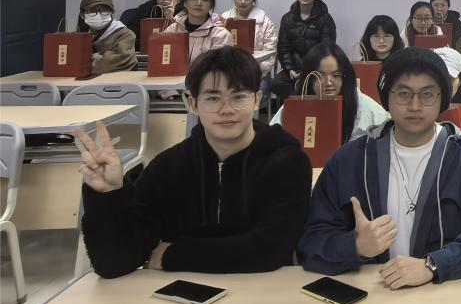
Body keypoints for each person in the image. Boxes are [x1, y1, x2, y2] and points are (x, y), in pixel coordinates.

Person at [75, 46, 310, 278]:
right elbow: (115, 263)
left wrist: (174, 255)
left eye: (238, 97)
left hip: (263, 293)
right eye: (213, 98)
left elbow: (271, 250)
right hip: (177, 293)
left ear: (257, 99)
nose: (226, 109)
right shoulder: (168, 168)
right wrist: (108, 195)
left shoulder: (287, 162)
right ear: (192, 104)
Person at [299, 48, 461, 287]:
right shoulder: (350, 161)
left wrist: (435, 265)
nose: (415, 106)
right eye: (403, 94)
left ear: (442, 99)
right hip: (372, 295)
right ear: (386, 97)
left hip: (444, 296)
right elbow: (311, 242)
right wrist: (355, 246)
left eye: (427, 94)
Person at [271, 43, 390, 143]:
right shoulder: (296, 105)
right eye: (321, 75)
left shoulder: (367, 108)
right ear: (309, 77)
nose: (328, 82)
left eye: (336, 75)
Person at [276, 0, 338, 97]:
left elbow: (327, 48)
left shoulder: (325, 18)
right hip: (294, 68)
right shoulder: (287, 18)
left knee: (311, 86)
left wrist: (310, 70)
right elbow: (283, 47)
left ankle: (303, 106)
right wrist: (290, 69)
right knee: (276, 84)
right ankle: (294, 105)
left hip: (316, 68)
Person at [163, 0, 231, 65]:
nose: (199, 3)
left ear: (211, 6)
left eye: (205, 0)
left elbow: (220, 66)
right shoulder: (173, 29)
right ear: (185, 3)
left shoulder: (220, 34)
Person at [220, 0, 278, 74]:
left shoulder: (265, 22)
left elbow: (270, 51)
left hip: (257, 71)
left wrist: (253, 68)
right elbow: (219, 48)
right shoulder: (225, 19)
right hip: (230, 71)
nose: (243, 2)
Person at [76, 0, 137, 73]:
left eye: (104, 10)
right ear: (82, 15)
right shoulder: (78, 37)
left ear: (111, 13)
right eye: (92, 10)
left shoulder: (125, 35)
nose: (98, 15)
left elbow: (110, 64)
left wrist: (84, 64)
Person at [121, 0, 185, 50]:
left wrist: (171, 20)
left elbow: (183, 41)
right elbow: (131, 39)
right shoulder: (144, 10)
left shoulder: (186, 15)